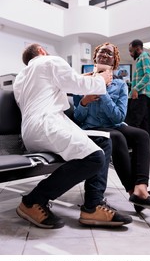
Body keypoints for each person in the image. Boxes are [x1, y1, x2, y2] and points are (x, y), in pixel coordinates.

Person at [13, 43, 132, 229]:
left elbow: (66, 82)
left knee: (102, 141)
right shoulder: (49, 61)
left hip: (33, 132)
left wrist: (86, 78)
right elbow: (76, 84)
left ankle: (93, 205)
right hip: (47, 126)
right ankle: (32, 201)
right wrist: (102, 79)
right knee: (94, 157)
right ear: (42, 51)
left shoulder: (22, 77)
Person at [73, 42, 150, 213]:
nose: (105, 55)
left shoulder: (120, 85)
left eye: (109, 53)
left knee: (142, 135)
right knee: (116, 137)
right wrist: (84, 101)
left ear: (114, 63)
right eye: (101, 52)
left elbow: (118, 117)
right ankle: (135, 193)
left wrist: (103, 91)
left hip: (114, 125)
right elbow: (78, 119)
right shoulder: (82, 82)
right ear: (95, 57)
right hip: (92, 128)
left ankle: (141, 187)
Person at [128, 39, 150, 133]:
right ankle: (144, 147)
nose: (130, 54)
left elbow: (148, 75)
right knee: (143, 125)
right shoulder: (140, 59)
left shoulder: (144, 56)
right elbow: (142, 77)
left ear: (137, 49)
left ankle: (135, 147)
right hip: (142, 95)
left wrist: (135, 89)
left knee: (135, 123)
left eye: (131, 51)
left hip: (141, 95)